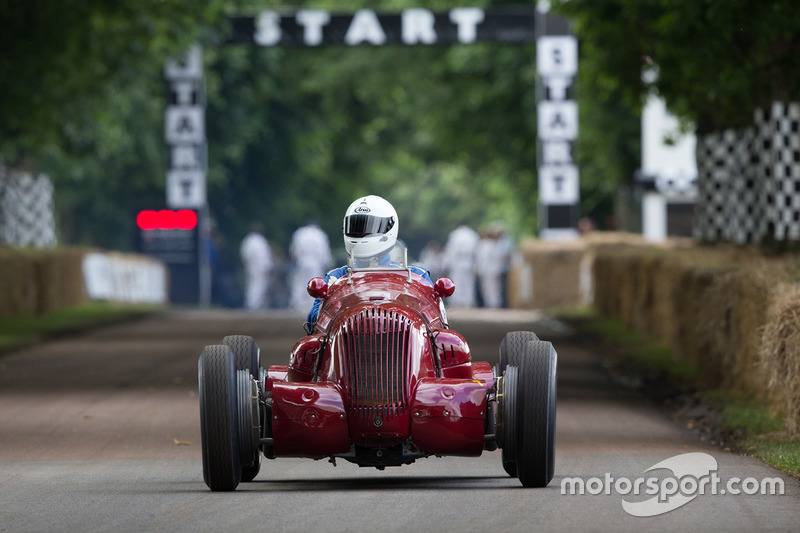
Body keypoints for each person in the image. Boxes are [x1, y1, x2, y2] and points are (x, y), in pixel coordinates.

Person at [305, 195, 432, 333]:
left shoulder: (416, 275)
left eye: (368, 228)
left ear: (389, 227)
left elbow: (435, 324)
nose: (361, 233)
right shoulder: (335, 277)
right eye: (355, 227)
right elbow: (314, 324)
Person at [289, 217, 332, 312]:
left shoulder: (300, 233)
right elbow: (323, 251)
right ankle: (311, 305)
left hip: (302, 261)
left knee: (300, 282)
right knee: (315, 284)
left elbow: (294, 249)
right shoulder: (319, 234)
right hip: (315, 262)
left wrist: (296, 259)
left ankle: (296, 303)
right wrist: (327, 262)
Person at [442, 221, 479, 308]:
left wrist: (446, 263)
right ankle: (468, 301)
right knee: (468, 282)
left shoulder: (455, 234)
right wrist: (476, 264)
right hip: (469, 260)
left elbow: (451, 250)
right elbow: (477, 251)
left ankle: (457, 301)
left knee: (457, 282)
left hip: (457, 261)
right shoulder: (472, 234)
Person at [239, 221, 273, 310]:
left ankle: (250, 303)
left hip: (250, 266)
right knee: (258, 285)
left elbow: (244, 255)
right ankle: (255, 304)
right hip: (259, 267)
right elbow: (263, 256)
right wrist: (267, 267)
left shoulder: (247, 240)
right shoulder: (259, 241)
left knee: (251, 285)